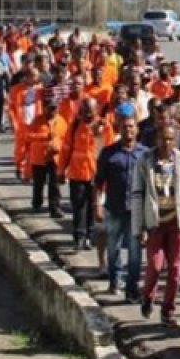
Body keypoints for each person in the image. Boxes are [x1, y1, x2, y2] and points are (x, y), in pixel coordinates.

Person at [132, 123, 180, 327]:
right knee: (154, 266)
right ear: (156, 139)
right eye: (163, 139)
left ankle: (168, 310)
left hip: (177, 222)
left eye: (170, 139)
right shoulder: (145, 161)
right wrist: (139, 227)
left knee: (176, 270)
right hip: (155, 223)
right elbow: (137, 194)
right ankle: (148, 295)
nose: (166, 143)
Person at [96, 116, 149, 302]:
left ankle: (131, 288)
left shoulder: (145, 154)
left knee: (135, 252)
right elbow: (99, 182)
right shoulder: (109, 153)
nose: (129, 130)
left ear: (137, 130)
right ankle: (114, 280)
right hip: (114, 208)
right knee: (113, 248)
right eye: (125, 127)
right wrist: (98, 204)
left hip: (136, 211)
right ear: (120, 128)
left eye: (132, 127)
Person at [59, 97, 105, 250]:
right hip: (77, 173)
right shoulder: (74, 126)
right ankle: (79, 236)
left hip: (95, 173)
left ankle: (90, 236)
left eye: (90, 112)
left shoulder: (103, 126)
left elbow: (107, 150)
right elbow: (66, 149)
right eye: (85, 111)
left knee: (93, 206)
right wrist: (61, 170)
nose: (87, 115)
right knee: (79, 206)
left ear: (96, 111)